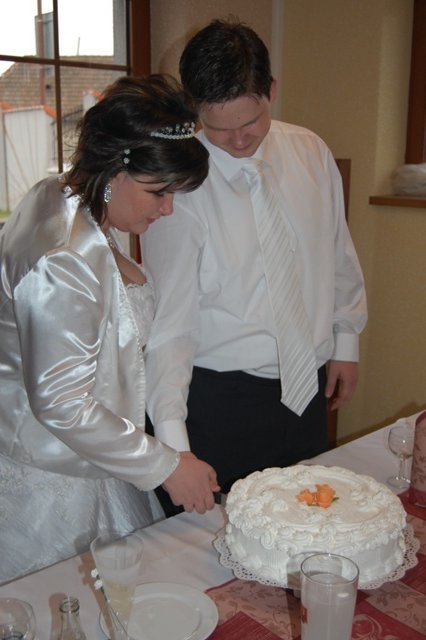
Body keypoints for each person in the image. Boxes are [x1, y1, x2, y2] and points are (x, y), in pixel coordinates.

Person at [0, 73, 219, 584]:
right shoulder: (63, 258)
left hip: (93, 454)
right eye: (157, 192)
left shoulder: (65, 197)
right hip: (55, 477)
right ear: (114, 170)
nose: (167, 208)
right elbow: (61, 401)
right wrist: (166, 465)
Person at [142, 19, 367, 514]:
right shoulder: (178, 185)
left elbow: (337, 254)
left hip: (306, 391)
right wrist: (176, 448)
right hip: (220, 404)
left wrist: (345, 341)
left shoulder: (310, 151)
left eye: (251, 121)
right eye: (219, 128)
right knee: (216, 547)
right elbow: (169, 326)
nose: (239, 140)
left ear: (271, 91)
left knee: (307, 524)